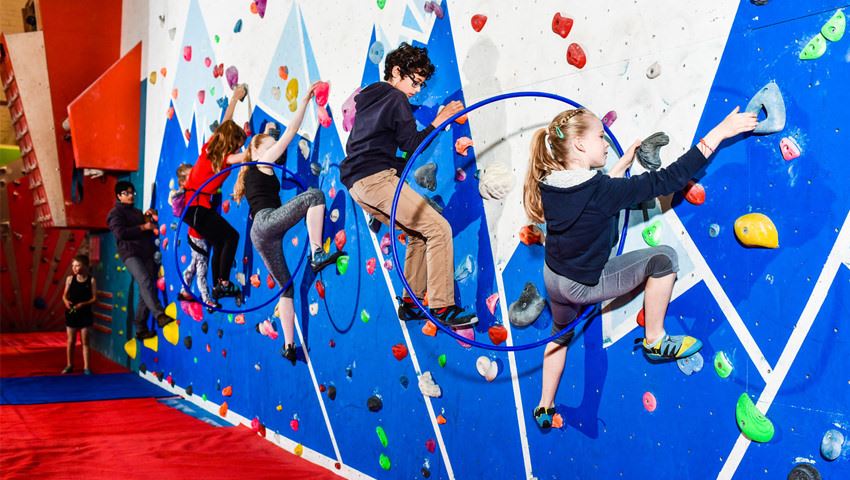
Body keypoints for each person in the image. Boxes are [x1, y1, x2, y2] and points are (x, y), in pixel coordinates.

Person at [523, 106, 758, 428]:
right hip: (581, 284)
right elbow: (670, 179)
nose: (606, 143)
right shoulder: (600, 191)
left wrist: (621, 164)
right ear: (578, 144)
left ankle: (544, 405)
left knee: (559, 335)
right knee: (663, 259)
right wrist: (721, 131)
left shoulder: (551, 184)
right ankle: (656, 339)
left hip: (554, 279)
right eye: (600, 136)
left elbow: (592, 197)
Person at [339, 42, 475, 327]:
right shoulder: (395, 99)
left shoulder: (370, 98)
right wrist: (439, 121)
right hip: (376, 180)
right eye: (414, 81)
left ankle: (411, 302)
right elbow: (412, 145)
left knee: (417, 234)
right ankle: (442, 306)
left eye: (421, 85)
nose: (416, 89)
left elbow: (376, 149)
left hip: (357, 185)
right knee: (439, 228)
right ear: (396, 71)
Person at [232, 83, 344, 365]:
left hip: (263, 235)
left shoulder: (253, 169)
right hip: (267, 222)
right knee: (315, 196)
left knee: (287, 288)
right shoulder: (261, 161)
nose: (275, 150)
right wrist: (305, 101)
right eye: (269, 145)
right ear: (258, 150)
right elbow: (291, 134)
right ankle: (317, 253)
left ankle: (288, 345)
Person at [182, 85, 248, 304]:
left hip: (192, 209)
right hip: (197, 209)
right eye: (237, 145)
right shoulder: (225, 159)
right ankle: (222, 283)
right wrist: (265, 141)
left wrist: (235, 99)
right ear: (231, 145)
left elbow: (225, 123)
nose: (239, 149)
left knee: (221, 241)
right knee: (231, 237)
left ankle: (220, 283)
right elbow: (248, 155)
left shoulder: (211, 148)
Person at [107, 181, 174, 339]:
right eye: (126, 193)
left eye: (132, 193)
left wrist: (147, 217)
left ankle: (141, 327)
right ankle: (159, 315)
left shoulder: (136, 212)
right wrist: (144, 227)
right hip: (131, 254)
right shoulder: (115, 213)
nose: (131, 196)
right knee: (145, 282)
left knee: (147, 287)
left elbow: (143, 226)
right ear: (119, 196)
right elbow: (121, 233)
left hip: (146, 252)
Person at [171, 163, 214, 309]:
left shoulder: (194, 191)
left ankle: (185, 290)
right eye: (192, 176)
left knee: (195, 264)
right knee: (201, 267)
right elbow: (177, 210)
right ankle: (205, 298)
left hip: (195, 235)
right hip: (197, 237)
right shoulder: (185, 195)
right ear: (183, 182)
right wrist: (178, 193)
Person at [61, 255, 96, 375]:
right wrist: (66, 301)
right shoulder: (70, 279)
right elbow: (64, 295)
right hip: (72, 312)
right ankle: (69, 365)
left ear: (85, 266)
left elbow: (94, 298)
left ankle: (87, 367)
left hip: (85, 313)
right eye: (73, 266)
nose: (75, 268)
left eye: (77, 265)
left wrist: (83, 304)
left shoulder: (91, 280)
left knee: (85, 341)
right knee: (70, 341)